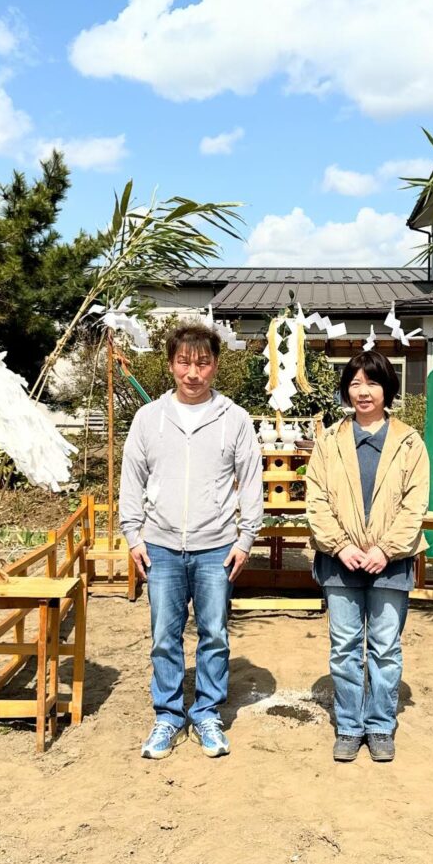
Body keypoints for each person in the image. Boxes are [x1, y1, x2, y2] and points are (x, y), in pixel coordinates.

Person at [119, 322, 263, 760]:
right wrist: (132, 534)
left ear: (215, 366)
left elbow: (251, 481)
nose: (193, 372)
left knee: (214, 633)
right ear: (170, 364)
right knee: (164, 634)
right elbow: (132, 478)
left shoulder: (234, 419)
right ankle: (167, 714)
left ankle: (206, 712)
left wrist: (245, 539)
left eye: (202, 363)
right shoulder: (149, 419)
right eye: (184, 362)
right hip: (160, 545)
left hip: (216, 546)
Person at [305, 351, 429, 763]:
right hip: (339, 562)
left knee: (385, 647)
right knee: (343, 647)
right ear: (346, 389)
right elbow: (316, 500)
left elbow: (415, 505)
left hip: (390, 564)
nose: (363, 391)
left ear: (387, 389)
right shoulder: (328, 443)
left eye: (372, 383)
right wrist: (340, 545)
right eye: (355, 383)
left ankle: (378, 725)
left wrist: (385, 548)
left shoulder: (409, 443)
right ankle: (348, 725)